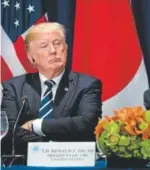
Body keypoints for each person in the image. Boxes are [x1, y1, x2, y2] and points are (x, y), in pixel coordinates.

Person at [1, 22, 102, 156]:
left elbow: (86, 122)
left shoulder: (87, 84)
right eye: (44, 46)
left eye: (57, 43)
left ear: (66, 49)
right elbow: (9, 130)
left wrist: (37, 125)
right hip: (26, 162)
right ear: (31, 57)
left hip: (74, 162)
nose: (53, 51)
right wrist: (51, 150)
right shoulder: (14, 87)